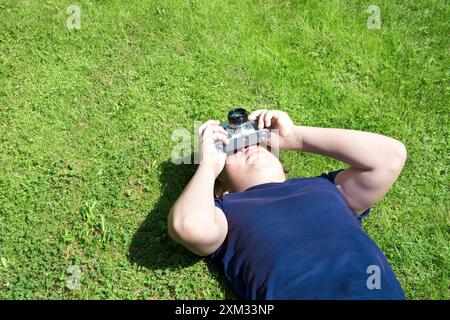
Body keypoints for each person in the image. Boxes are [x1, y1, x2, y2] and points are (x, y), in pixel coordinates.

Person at [167, 109, 407, 299]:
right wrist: (208, 166)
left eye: (256, 141)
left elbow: (390, 157)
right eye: (234, 149)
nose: (249, 147)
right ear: (222, 188)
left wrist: (295, 137)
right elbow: (187, 226)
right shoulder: (226, 211)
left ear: (281, 163)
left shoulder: (328, 188)